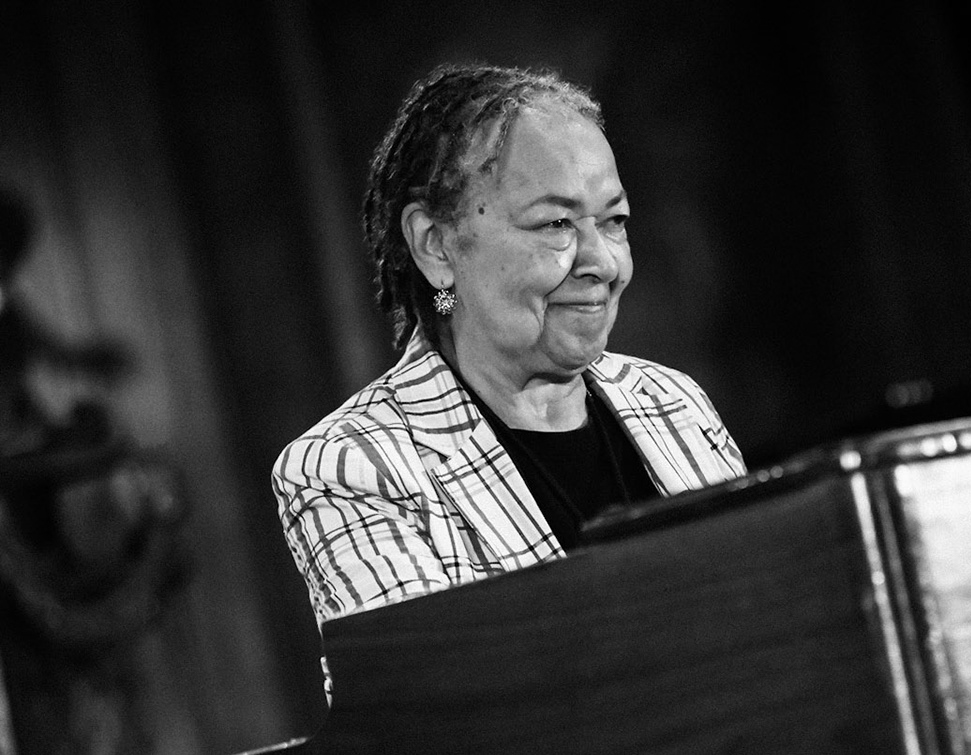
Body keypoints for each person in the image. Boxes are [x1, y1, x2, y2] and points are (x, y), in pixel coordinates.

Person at [274, 64, 744, 625]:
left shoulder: (672, 403)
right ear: (436, 246)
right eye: (555, 224)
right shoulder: (354, 466)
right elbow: (441, 702)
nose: (602, 262)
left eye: (613, 220)